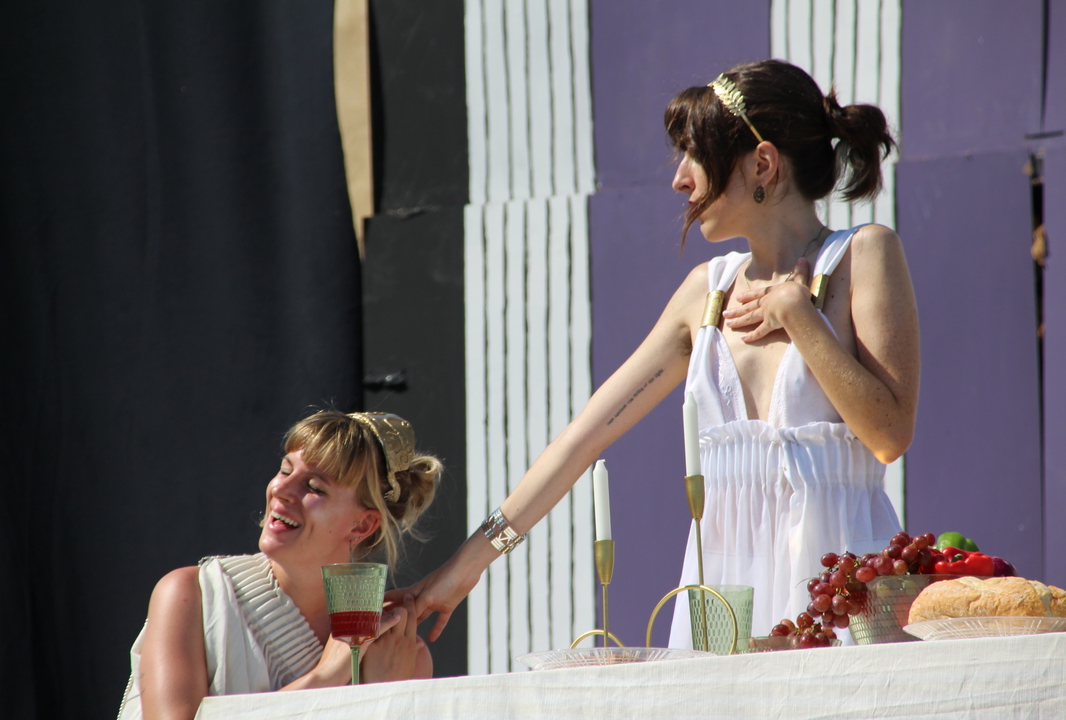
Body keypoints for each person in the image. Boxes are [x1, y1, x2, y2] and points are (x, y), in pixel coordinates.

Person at [389, 59, 918, 643]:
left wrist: (799, 316)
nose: (680, 180)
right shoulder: (706, 292)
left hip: (845, 591)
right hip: (722, 599)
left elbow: (889, 434)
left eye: (695, 154)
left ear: (762, 163)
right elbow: (582, 439)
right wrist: (462, 572)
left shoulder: (865, 254)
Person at [119, 410, 442, 720]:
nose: (280, 490)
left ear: (362, 525)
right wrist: (327, 676)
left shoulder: (395, 648)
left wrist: (382, 695)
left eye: (314, 487)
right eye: (285, 471)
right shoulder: (194, 596)